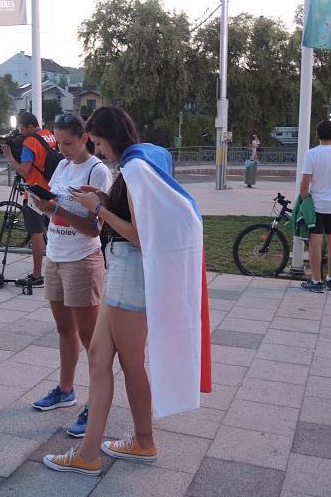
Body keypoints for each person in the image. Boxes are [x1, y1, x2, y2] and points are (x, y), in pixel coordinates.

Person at [42, 106, 211, 476]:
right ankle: (129, 444)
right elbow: (139, 216)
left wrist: (97, 210)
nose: (99, 150)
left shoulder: (134, 168)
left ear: (110, 137)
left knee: (127, 363)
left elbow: (138, 233)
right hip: (127, 271)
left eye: (99, 143)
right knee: (101, 358)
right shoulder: (143, 157)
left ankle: (126, 445)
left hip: (128, 272)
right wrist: (102, 199)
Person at [26, 114, 112, 439]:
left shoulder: (97, 171)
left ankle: (95, 403)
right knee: (64, 329)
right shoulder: (62, 166)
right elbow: (55, 207)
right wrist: (44, 206)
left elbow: (95, 226)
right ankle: (66, 390)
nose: (62, 150)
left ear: (85, 138)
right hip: (56, 255)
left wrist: (57, 210)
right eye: (59, 143)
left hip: (82, 259)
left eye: (68, 143)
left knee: (91, 339)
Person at [1, 112, 57, 287]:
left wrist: (10, 157)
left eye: (22, 128)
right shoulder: (49, 135)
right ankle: (57, 272)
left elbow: (24, 171)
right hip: (52, 189)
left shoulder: (30, 142)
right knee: (54, 232)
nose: (21, 132)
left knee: (37, 234)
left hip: (35, 193)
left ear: (30, 126)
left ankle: (37, 275)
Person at [299, 120, 331, 293]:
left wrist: (305, 202)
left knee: (315, 241)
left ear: (317, 134)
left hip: (317, 205)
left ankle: (316, 280)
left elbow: (305, 184)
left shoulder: (311, 154)